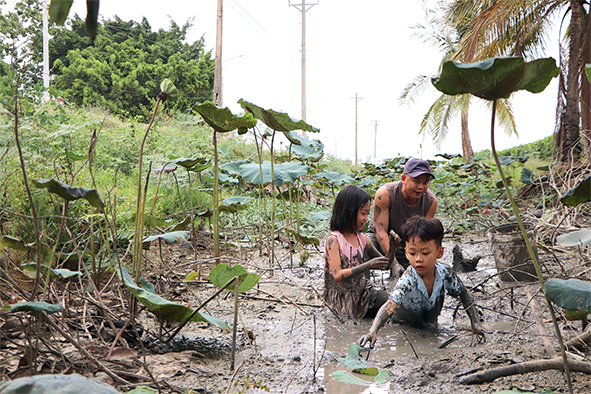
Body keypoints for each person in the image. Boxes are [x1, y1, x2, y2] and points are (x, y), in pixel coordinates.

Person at [358, 216, 483, 348]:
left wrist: (475, 324)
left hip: (430, 324)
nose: (418, 259)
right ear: (406, 253)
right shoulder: (408, 279)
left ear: (439, 252)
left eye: (425, 253)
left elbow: (464, 294)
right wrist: (373, 331)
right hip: (406, 327)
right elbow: (390, 305)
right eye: (412, 253)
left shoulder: (445, 273)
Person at [324, 185, 398, 319]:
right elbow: (337, 275)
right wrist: (367, 265)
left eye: (367, 214)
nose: (366, 219)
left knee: (392, 304)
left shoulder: (362, 238)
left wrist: (393, 248)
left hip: (363, 293)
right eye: (363, 214)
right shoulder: (334, 240)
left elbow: (385, 264)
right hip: (341, 299)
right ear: (348, 212)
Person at [367, 158, 437, 271]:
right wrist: (392, 260)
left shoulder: (430, 201)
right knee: (364, 246)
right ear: (404, 179)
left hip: (408, 243)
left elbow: (425, 236)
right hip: (379, 239)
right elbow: (381, 231)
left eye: (425, 182)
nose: (420, 187)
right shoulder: (385, 194)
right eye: (416, 181)